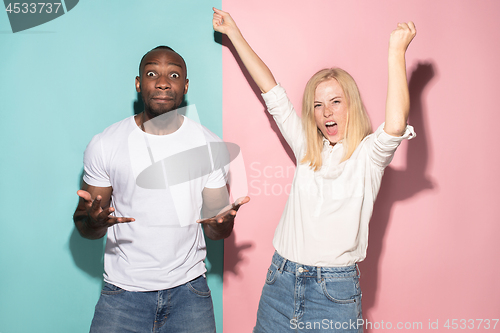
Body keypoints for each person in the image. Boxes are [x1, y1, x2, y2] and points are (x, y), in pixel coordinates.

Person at [213, 8, 416, 333]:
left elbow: (395, 125)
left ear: (352, 104)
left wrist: (396, 52)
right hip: (280, 280)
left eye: (335, 101)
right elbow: (272, 93)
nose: (326, 112)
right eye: (318, 105)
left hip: (334, 293)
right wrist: (234, 33)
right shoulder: (308, 147)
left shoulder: (369, 155)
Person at [73, 45, 249, 333]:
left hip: (189, 294)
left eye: (174, 74)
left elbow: (216, 229)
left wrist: (224, 222)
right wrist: (92, 221)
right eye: (152, 73)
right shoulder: (106, 144)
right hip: (122, 294)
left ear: (185, 86)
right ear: (139, 83)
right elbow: (86, 225)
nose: (163, 81)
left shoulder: (209, 146)